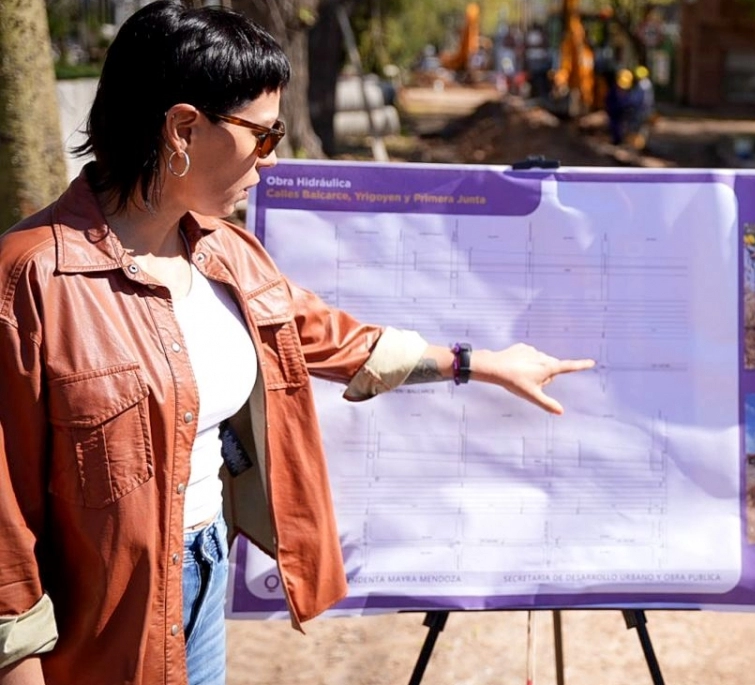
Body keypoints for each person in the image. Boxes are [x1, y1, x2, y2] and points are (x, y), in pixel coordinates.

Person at [0, 3, 594, 684]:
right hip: (96, 632)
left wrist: (479, 362)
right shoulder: (29, 280)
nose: (273, 156)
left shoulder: (228, 254)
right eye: (264, 131)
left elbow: (327, 337)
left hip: (199, 581)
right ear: (183, 129)